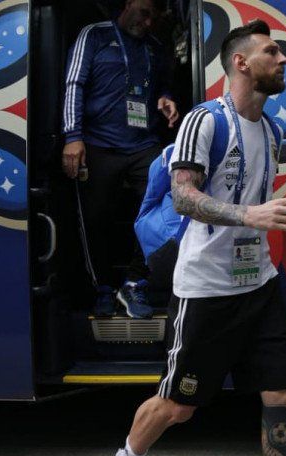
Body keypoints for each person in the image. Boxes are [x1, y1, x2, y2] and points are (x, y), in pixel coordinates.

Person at [103, 19, 286, 456]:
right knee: (178, 407)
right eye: (272, 52)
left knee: (283, 393)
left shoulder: (273, 132)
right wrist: (250, 216)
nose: (283, 60)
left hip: (259, 281)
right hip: (206, 289)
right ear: (241, 62)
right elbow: (183, 196)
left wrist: (260, 220)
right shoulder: (205, 119)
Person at [62, 0, 179, 318]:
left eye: (154, 16)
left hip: (144, 144)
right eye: (144, 12)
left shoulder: (154, 46)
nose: (149, 21)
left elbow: (164, 85)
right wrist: (73, 137)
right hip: (98, 144)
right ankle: (101, 288)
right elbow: (74, 84)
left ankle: (134, 282)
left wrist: (166, 98)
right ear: (128, 4)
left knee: (164, 214)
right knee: (96, 218)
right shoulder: (95, 35)